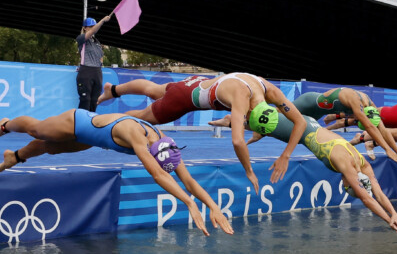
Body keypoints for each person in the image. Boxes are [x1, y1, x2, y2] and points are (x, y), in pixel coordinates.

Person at [0, 110, 234, 236]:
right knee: (39, 131)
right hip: (76, 121)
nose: (156, 165)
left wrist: (213, 205)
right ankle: (5, 126)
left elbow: (186, 179)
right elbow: (159, 177)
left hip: (90, 138)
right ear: (153, 151)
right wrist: (188, 203)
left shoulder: (165, 143)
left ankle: (14, 156)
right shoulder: (136, 136)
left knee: (50, 149)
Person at [97, 73, 309, 191]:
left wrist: (286, 155)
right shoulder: (241, 101)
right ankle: (105, 124)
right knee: (142, 118)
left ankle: (113, 90)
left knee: (153, 89)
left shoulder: (268, 89)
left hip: (196, 82)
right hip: (183, 100)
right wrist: (249, 171)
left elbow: (299, 122)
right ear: (250, 112)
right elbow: (237, 142)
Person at [233, 104, 397, 238]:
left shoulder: (363, 164)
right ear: (349, 183)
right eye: (346, 187)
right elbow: (366, 198)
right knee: (250, 120)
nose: (342, 184)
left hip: (311, 123)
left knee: (258, 120)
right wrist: (388, 220)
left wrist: (394, 215)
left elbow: (376, 192)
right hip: (301, 130)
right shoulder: (346, 166)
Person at [76, 15, 110, 112]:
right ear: (85, 28)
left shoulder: (97, 42)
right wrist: (103, 20)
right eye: (90, 26)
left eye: (93, 26)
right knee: (85, 100)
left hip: (97, 72)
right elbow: (93, 32)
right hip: (86, 71)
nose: (92, 28)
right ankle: (81, 123)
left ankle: (90, 123)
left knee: (95, 100)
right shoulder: (81, 38)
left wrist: (100, 63)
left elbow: (100, 57)